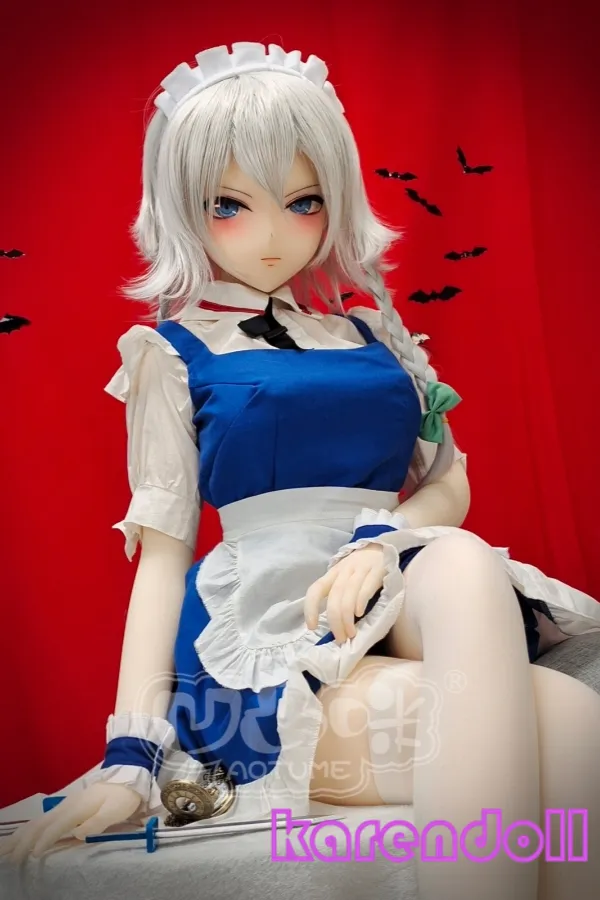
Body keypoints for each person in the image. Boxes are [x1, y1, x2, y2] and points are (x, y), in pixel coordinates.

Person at [2, 41, 600, 900]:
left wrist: (381, 538)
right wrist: (130, 753)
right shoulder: (172, 354)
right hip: (265, 637)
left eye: (303, 201)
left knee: (465, 562)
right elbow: (163, 558)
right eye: (230, 206)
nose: (274, 235)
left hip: (396, 592)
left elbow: (449, 483)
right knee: (574, 725)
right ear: (184, 207)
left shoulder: (373, 336)